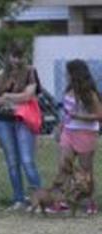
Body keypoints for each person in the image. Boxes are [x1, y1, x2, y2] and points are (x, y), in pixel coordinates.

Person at [0, 41, 42, 211]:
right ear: (8, 56)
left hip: (23, 120)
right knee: (12, 162)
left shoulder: (30, 72)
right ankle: (18, 199)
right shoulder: (0, 74)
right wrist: (8, 98)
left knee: (27, 161)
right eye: (13, 56)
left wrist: (7, 96)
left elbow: (28, 96)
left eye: (19, 56)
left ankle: (39, 200)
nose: (16, 60)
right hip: (4, 120)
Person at [51, 59, 102, 215]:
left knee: (85, 171)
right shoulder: (68, 90)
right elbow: (67, 114)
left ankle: (90, 202)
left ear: (75, 74)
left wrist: (79, 116)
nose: (65, 75)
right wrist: (60, 127)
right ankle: (60, 202)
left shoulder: (90, 94)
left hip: (86, 134)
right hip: (69, 132)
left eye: (68, 72)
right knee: (63, 166)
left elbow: (99, 115)